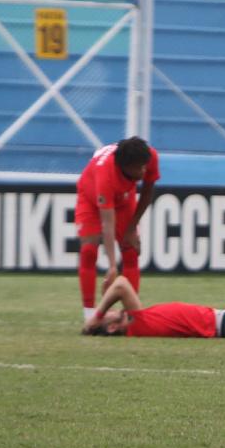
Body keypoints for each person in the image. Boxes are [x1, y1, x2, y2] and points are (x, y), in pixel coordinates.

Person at [75, 136, 159, 323]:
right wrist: (112, 266)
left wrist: (131, 229)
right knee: (89, 250)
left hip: (124, 198)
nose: (144, 170)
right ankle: (89, 314)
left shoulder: (150, 156)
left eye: (145, 165)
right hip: (90, 198)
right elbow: (107, 224)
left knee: (130, 251)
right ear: (125, 166)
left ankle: (131, 315)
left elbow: (147, 192)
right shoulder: (106, 176)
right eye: (139, 167)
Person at [82, 276, 225, 338]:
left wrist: (100, 317)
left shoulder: (140, 318)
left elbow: (121, 286)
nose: (111, 310)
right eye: (109, 314)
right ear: (113, 327)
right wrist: (97, 315)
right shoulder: (137, 325)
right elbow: (120, 284)